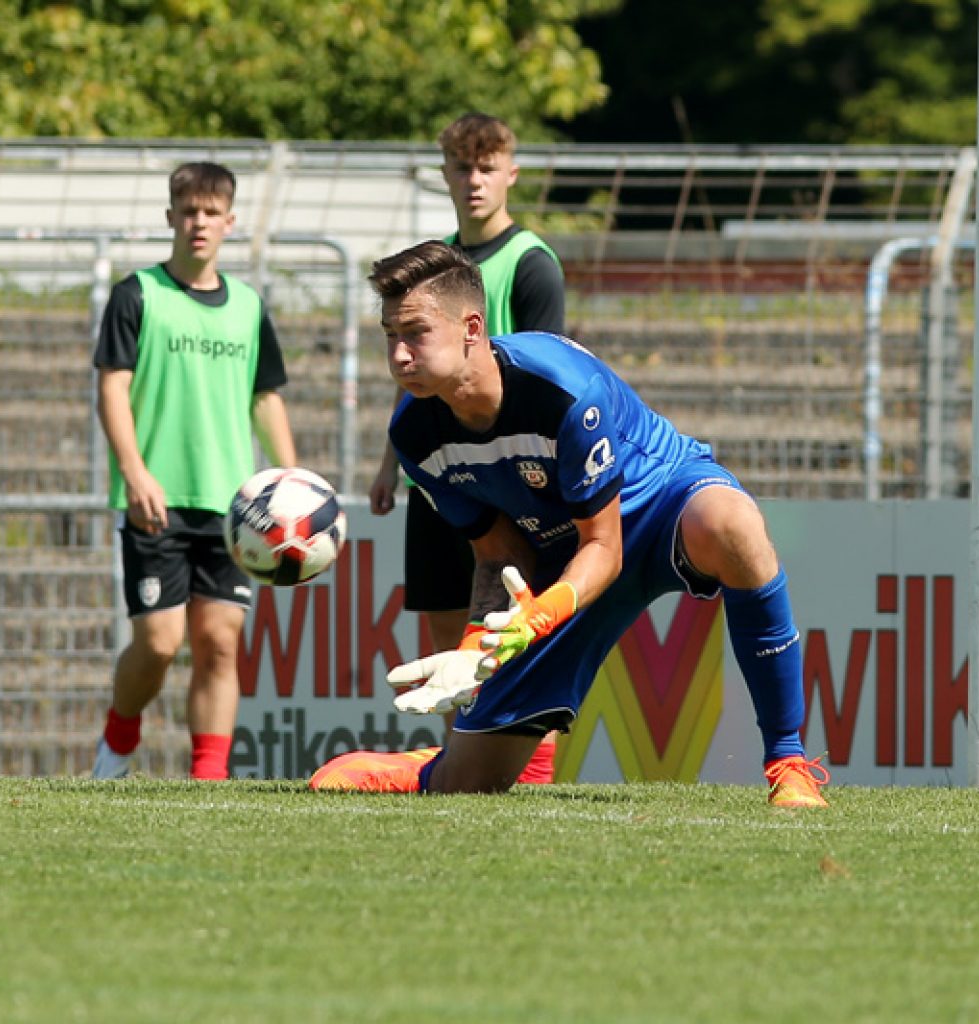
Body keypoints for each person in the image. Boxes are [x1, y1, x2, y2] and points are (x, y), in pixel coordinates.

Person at [310, 240, 830, 808]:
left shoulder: (560, 390)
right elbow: (499, 554)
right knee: (470, 784)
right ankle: (429, 768)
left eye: (414, 333)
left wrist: (535, 618)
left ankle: (789, 763)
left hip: (659, 505)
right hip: (566, 556)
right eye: (390, 336)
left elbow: (606, 547)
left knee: (734, 524)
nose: (400, 355)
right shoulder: (415, 436)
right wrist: (477, 645)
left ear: (471, 328)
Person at [367, 113, 565, 783]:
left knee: (509, 629)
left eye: (487, 167)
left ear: (511, 172)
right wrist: (389, 462)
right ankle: (460, 766)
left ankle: (525, 767)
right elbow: (414, 371)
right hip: (438, 474)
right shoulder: (431, 262)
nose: (474, 180)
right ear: (445, 174)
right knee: (447, 630)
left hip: (507, 478)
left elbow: (547, 366)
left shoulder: (530, 262)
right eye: (461, 167)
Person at [92, 161, 297, 780]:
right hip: (157, 498)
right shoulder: (137, 294)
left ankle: (208, 780)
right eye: (188, 211)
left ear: (229, 222)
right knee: (158, 643)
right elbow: (112, 388)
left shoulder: (249, 307)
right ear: (171, 218)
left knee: (219, 643)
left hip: (236, 506)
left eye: (211, 213)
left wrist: (291, 480)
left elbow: (265, 398)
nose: (199, 223)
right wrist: (135, 472)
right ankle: (119, 739)